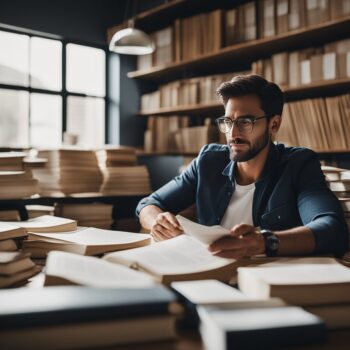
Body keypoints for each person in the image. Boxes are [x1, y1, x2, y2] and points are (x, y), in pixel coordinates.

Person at [136, 74, 348, 259]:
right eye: (228, 122)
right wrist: (158, 221)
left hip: (265, 282)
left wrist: (263, 242)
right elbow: (148, 203)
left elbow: (332, 229)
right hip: (206, 272)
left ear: (273, 124)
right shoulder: (208, 162)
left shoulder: (298, 164)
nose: (233, 133)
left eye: (245, 122)